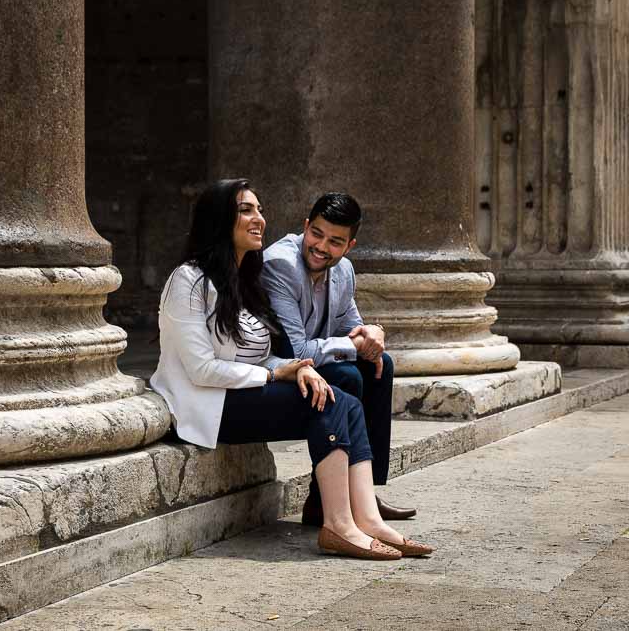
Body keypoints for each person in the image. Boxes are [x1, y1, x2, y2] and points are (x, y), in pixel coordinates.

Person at [151, 179, 432, 560]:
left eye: (259, 209)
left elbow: (256, 356)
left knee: (344, 398)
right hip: (205, 406)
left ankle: (366, 519)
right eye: (246, 210)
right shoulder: (188, 281)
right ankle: (339, 526)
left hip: (237, 392)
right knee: (330, 402)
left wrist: (294, 368)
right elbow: (202, 370)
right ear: (219, 220)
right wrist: (275, 374)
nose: (259, 219)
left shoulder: (244, 279)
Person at [261, 192, 416, 527]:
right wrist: (354, 343)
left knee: (380, 366)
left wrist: (373, 334)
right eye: (316, 233)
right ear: (305, 226)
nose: (321, 246)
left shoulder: (343, 270)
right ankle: (326, 500)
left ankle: (362, 492)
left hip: (313, 361)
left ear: (349, 246)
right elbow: (297, 351)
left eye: (335, 241)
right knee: (349, 375)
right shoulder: (280, 265)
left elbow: (353, 329)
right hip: (280, 367)